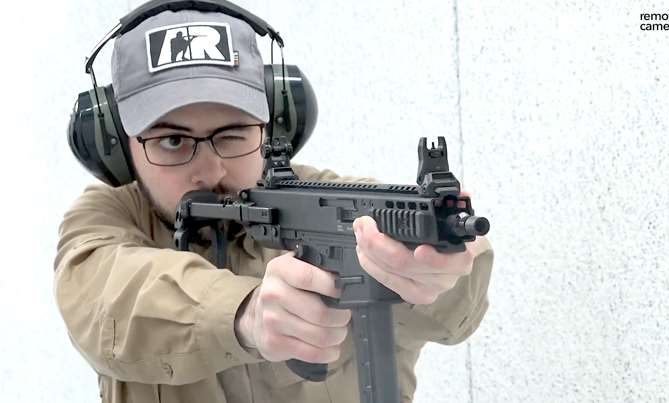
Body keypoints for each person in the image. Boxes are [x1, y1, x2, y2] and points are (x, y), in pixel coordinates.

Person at [54, 3, 494, 403]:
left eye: (232, 135)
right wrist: (246, 315)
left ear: (275, 127)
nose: (209, 171)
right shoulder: (106, 218)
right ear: (115, 146)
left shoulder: (330, 201)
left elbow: (457, 312)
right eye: (172, 141)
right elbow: (102, 299)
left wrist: (439, 271)